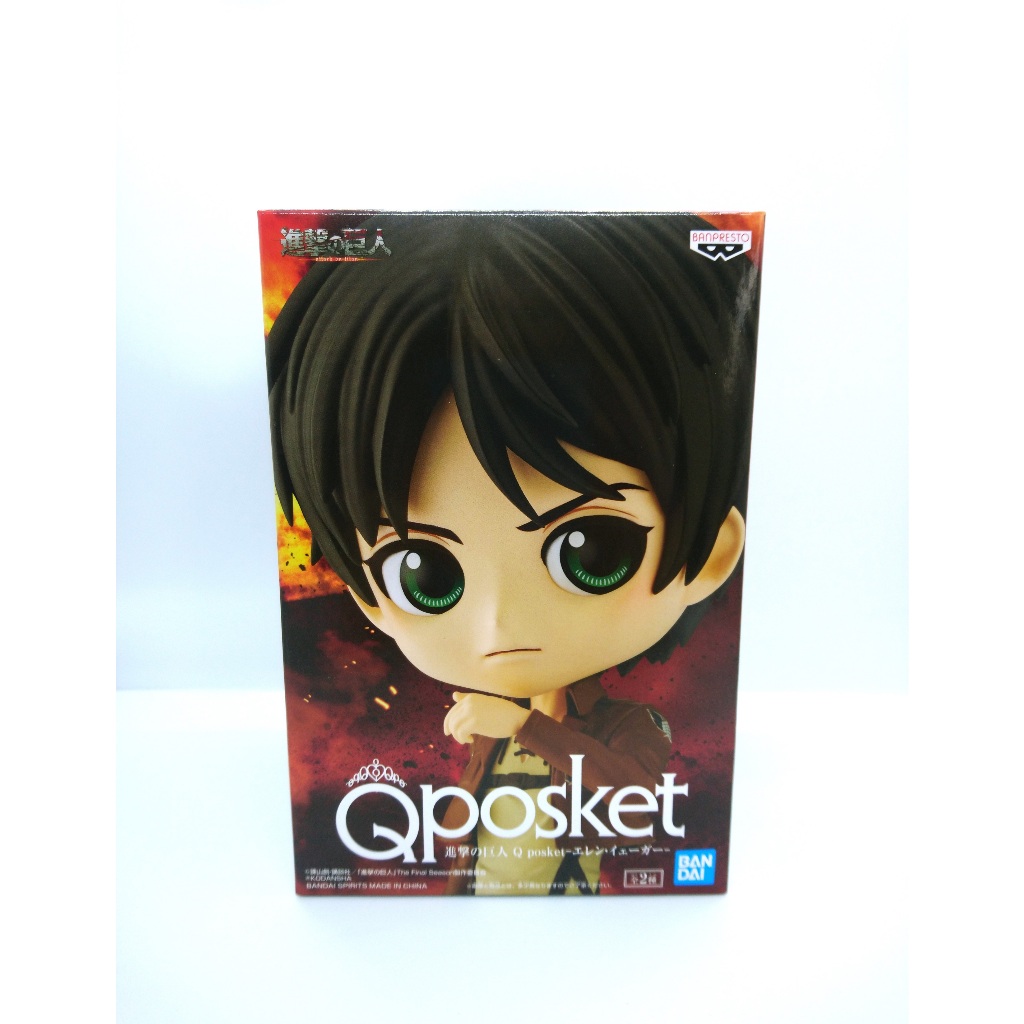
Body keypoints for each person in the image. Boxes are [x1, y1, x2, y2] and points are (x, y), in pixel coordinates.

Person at [267, 213, 760, 894]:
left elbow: (634, 812)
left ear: (710, 553)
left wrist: (527, 726)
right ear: (367, 596)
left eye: (590, 554)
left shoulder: (628, 724)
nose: (499, 625)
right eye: (423, 575)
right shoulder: (488, 726)